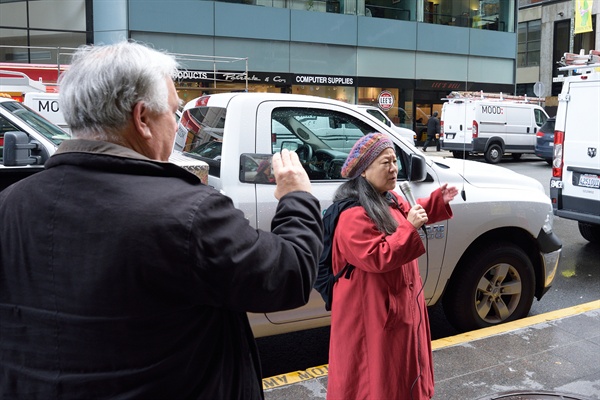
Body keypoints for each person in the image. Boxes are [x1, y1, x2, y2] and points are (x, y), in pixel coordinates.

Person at [0, 41, 324, 399]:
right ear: (142, 119)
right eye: (173, 112)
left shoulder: (10, 204)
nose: (176, 124)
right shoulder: (188, 213)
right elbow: (289, 274)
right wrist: (297, 197)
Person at [326, 133, 458, 400]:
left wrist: (436, 202)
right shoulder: (352, 214)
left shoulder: (386, 198)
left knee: (397, 375)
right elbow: (377, 256)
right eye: (385, 162)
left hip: (393, 308)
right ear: (363, 172)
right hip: (374, 314)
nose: (393, 168)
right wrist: (410, 226)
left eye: (395, 161)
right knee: (374, 379)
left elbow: (410, 214)